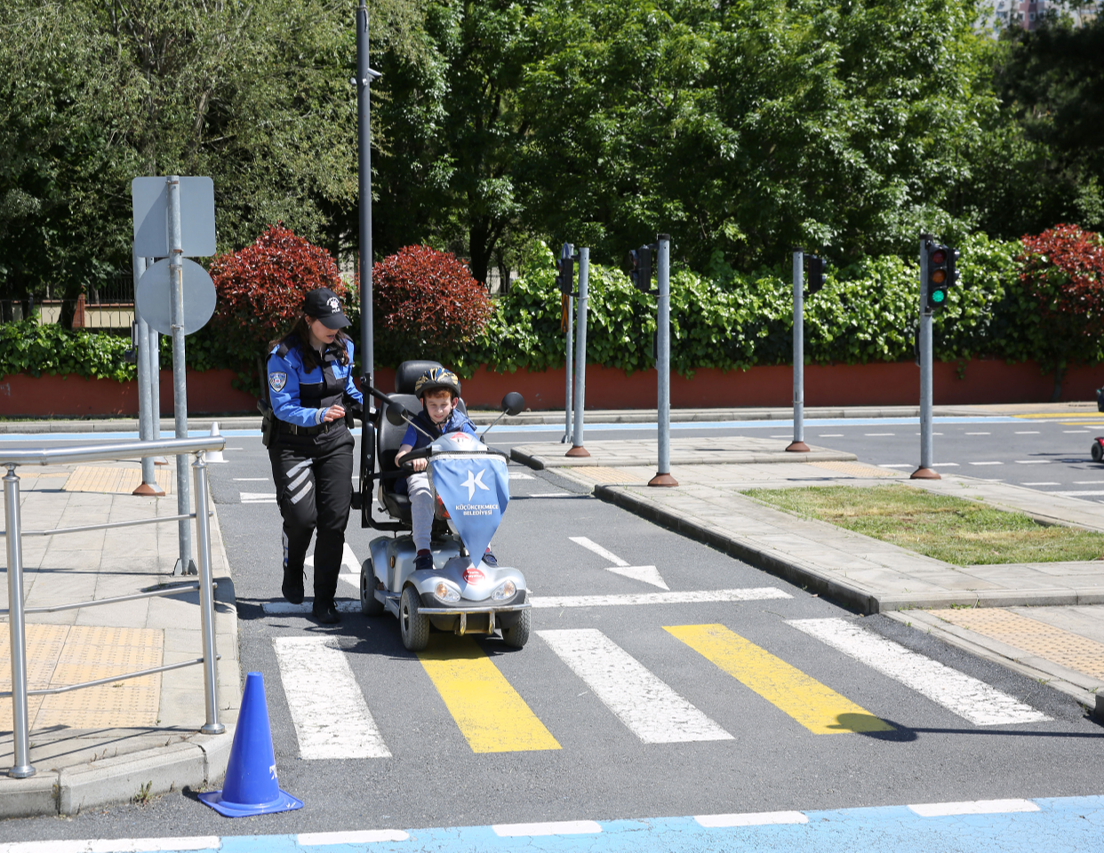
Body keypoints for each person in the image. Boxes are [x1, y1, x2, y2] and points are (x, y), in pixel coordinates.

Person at [267, 287, 363, 624]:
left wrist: (369, 405)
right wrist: (318, 416)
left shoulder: (344, 347)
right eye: (327, 323)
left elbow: (348, 389)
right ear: (308, 319)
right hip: (293, 445)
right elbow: (283, 407)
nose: (334, 329)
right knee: (302, 518)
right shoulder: (283, 356)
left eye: (338, 322)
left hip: (335, 442)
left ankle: (324, 600)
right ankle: (293, 567)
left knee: (334, 522)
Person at [394, 367, 496, 572]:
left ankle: (483, 547)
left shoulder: (462, 424)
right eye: (433, 405)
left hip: (455, 478)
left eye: (443, 405)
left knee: (477, 492)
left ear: (454, 403)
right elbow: (400, 456)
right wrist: (413, 460)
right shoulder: (416, 425)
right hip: (422, 475)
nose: (438, 410)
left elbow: (479, 450)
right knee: (422, 493)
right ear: (423, 403)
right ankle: (423, 551)